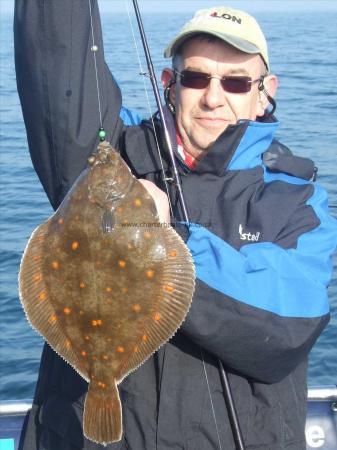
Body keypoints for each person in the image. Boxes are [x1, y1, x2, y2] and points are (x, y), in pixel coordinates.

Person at [14, 2, 337, 450]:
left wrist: (159, 235)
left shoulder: (296, 201)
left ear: (265, 91)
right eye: (196, 78)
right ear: (170, 83)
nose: (213, 97)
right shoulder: (111, 156)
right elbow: (60, 74)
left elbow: (288, 323)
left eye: (237, 82)